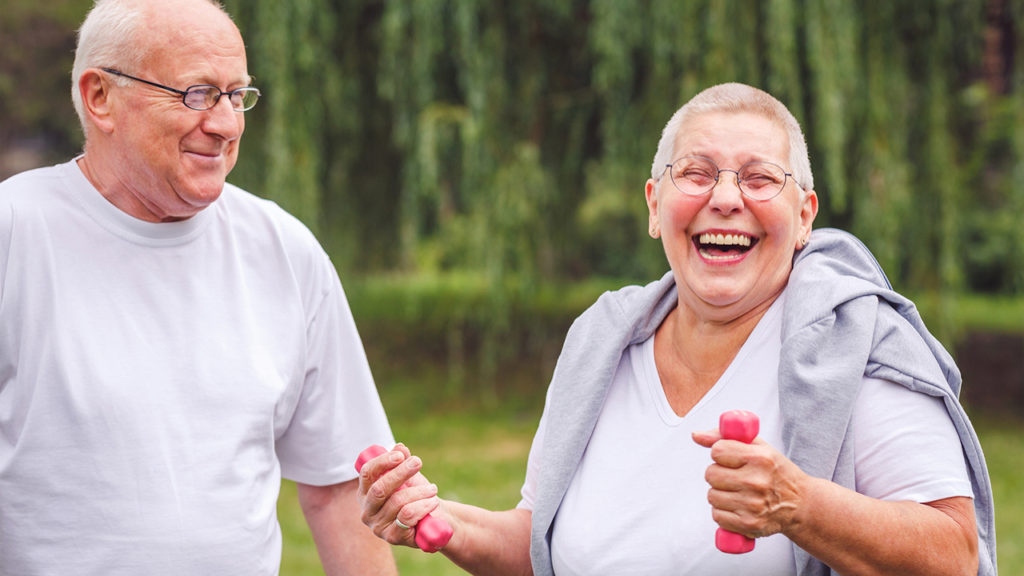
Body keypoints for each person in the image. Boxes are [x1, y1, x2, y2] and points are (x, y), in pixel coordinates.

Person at [357, 83, 997, 575]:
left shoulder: (855, 340)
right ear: (654, 206)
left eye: (759, 177)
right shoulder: (603, 343)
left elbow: (954, 555)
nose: (726, 198)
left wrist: (798, 505)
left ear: (804, 217)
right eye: (695, 173)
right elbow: (545, 544)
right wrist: (440, 522)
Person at [0, 1, 397, 574]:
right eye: (198, 94)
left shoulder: (283, 248)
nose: (227, 124)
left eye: (237, 95)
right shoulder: (15, 232)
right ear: (100, 97)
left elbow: (341, 483)